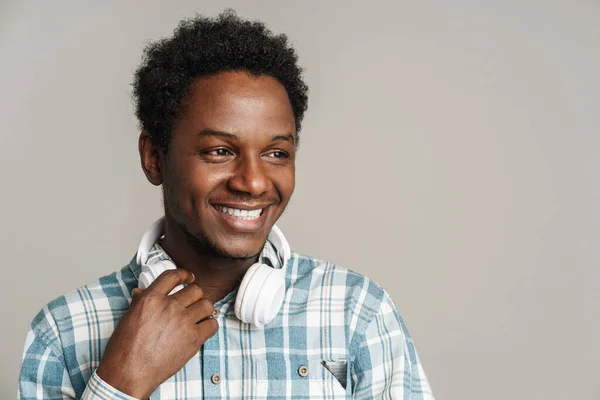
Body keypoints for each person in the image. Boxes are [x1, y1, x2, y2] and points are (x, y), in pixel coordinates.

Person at [18, 10, 434, 400]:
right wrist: (120, 383)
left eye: (276, 153)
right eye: (219, 151)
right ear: (154, 157)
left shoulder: (358, 312)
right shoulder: (64, 332)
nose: (253, 182)